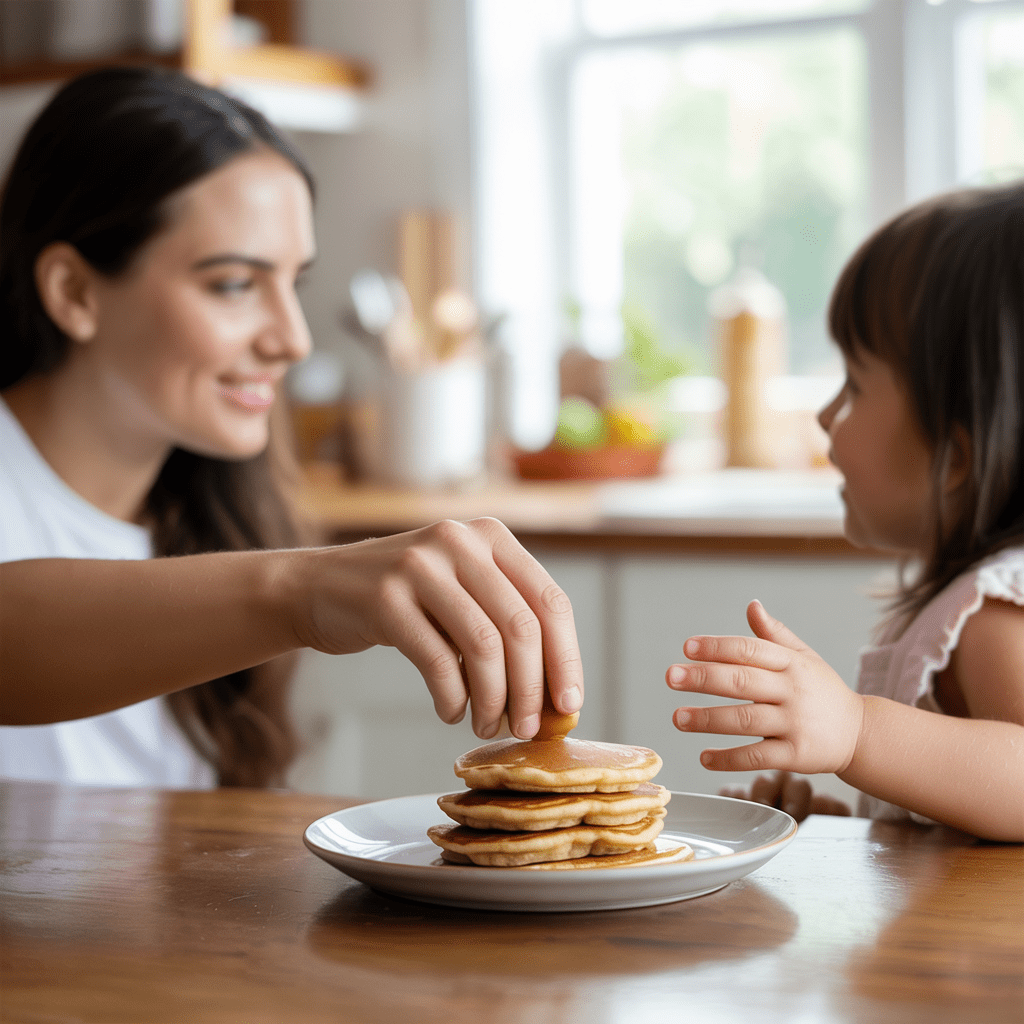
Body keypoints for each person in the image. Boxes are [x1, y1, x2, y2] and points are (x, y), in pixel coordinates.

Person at [0, 66, 583, 789]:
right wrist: (298, 592)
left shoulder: (215, 508)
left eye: (293, 283)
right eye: (235, 284)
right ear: (75, 291)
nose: (292, 339)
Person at [665, 182, 1024, 843]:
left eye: (855, 386)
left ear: (954, 458)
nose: (827, 415)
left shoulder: (992, 615)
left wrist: (857, 731)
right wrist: (849, 829)